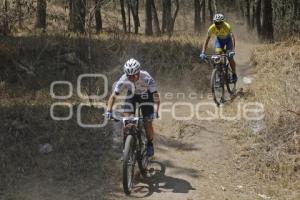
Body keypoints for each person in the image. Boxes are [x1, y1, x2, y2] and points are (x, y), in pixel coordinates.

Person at [105, 58, 160, 157]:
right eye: (129, 76)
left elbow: (156, 96)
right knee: (127, 120)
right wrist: (108, 111)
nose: (132, 78)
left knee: (147, 122)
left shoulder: (146, 77)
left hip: (146, 96)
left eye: (135, 75)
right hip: (132, 95)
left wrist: (155, 111)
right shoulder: (123, 79)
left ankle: (150, 143)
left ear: (139, 72)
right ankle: (127, 146)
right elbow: (113, 96)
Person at [200, 13, 238, 82]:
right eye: (216, 23)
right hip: (219, 41)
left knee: (230, 57)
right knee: (218, 55)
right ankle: (219, 73)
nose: (217, 24)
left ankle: (234, 73)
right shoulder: (211, 28)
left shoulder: (227, 26)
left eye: (219, 23)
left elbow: (232, 38)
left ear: (223, 22)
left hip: (228, 41)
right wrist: (203, 52)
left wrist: (233, 50)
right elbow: (206, 40)